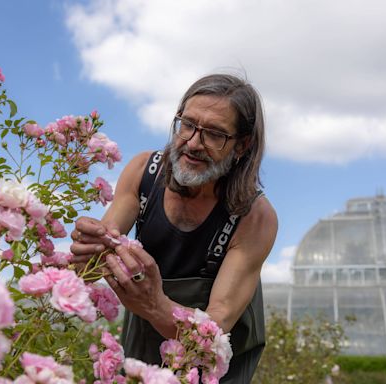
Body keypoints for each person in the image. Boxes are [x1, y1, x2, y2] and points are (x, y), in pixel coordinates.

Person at [70, 73, 278, 383]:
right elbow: (99, 254)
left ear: (242, 145)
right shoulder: (144, 172)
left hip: (216, 365)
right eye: (188, 125)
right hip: (146, 333)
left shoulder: (254, 217)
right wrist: (89, 251)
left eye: (214, 134)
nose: (194, 143)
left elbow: (216, 328)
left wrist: (155, 303)